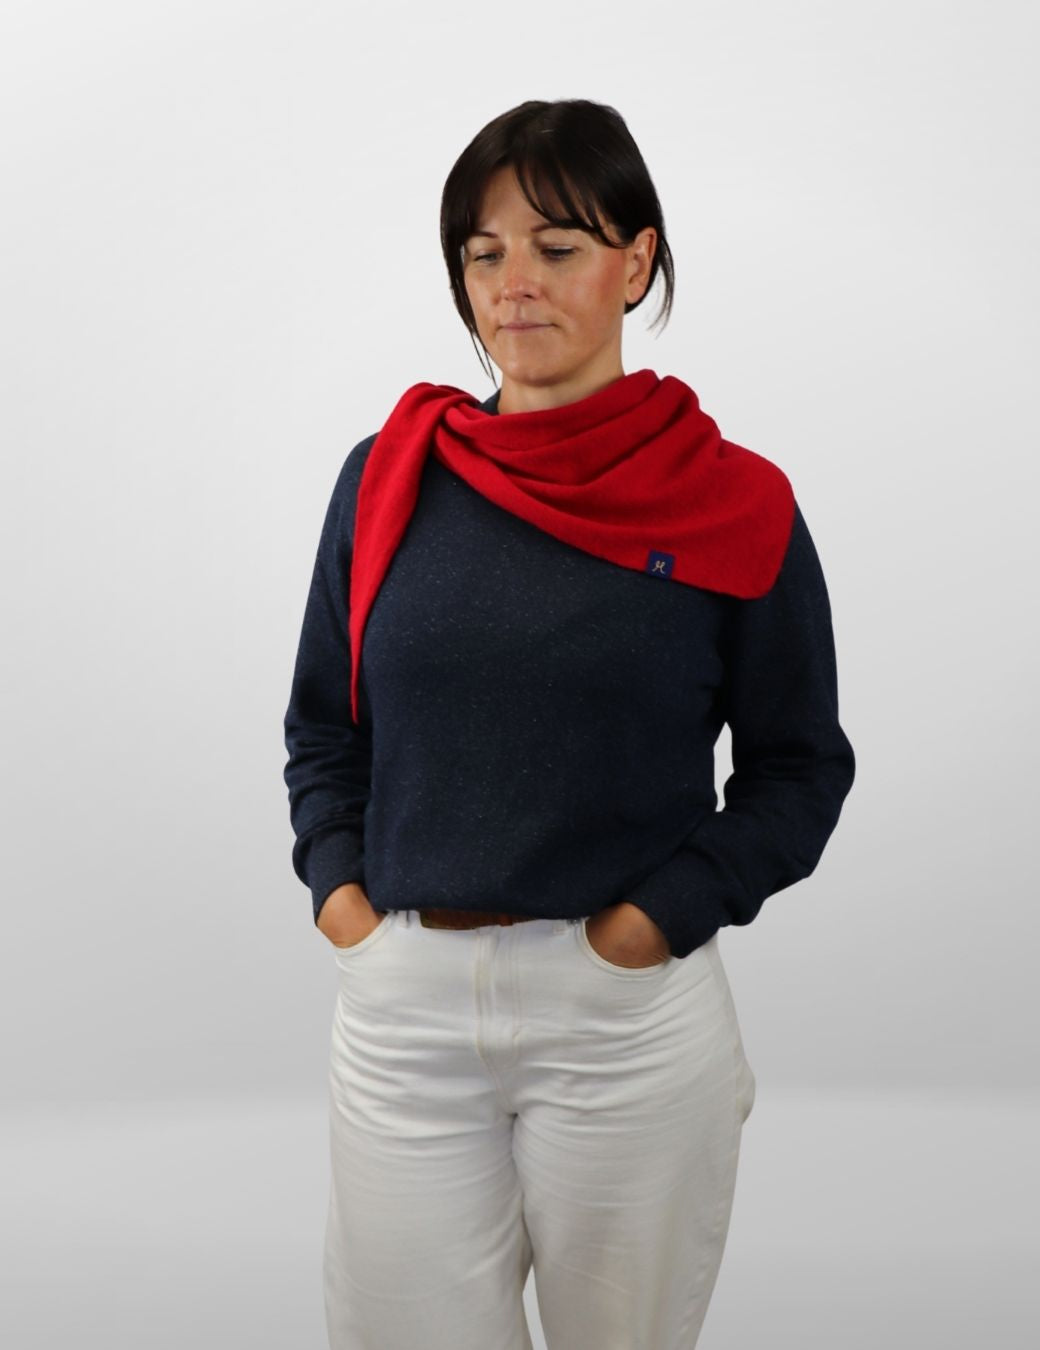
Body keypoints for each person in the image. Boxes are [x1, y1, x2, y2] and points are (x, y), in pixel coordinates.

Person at [283, 97, 856, 1350]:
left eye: (556, 247)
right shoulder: (389, 474)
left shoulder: (731, 501)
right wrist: (347, 910)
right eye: (483, 254)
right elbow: (326, 730)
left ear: (636, 259)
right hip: (405, 1008)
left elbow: (800, 767)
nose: (513, 284)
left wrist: (646, 931)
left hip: (625, 1024)